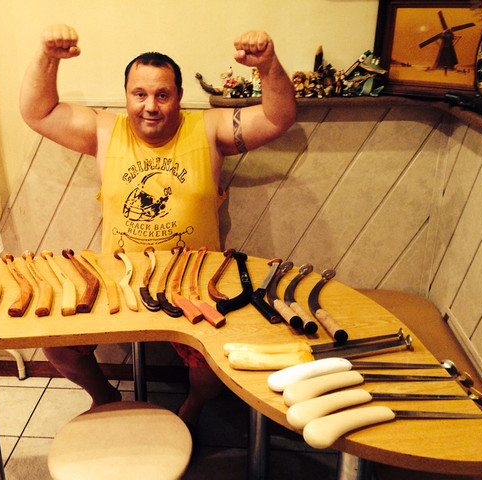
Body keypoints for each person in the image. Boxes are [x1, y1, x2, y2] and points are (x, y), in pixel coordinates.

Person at [20, 24, 296, 427]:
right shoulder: (104, 130)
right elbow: (37, 112)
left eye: (162, 95)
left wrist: (267, 66)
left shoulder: (209, 128)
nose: (150, 106)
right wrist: (48, 56)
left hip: (195, 282)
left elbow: (278, 117)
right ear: (126, 96)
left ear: (179, 97)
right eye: (140, 94)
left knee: (215, 360)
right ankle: (105, 397)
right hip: (119, 281)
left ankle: (192, 407)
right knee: (56, 342)